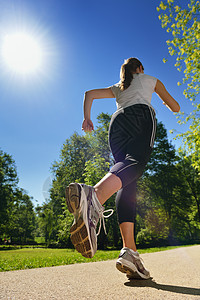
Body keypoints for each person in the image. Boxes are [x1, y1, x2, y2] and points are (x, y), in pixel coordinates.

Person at [66, 57, 180, 280]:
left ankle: (130, 253)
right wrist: (165, 101)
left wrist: (86, 118)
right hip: (141, 118)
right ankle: (94, 196)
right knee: (135, 164)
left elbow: (89, 94)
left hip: (117, 124)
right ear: (140, 69)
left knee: (126, 181)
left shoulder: (119, 87)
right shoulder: (150, 79)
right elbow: (175, 107)